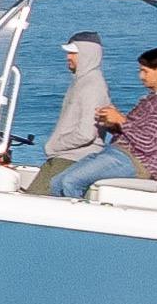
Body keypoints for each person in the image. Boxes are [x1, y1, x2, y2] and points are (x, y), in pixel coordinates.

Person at [50, 46, 157, 199]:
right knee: (57, 182)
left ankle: (81, 219)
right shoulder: (151, 99)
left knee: (70, 182)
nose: (141, 76)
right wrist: (112, 124)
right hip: (117, 153)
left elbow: (149, 142)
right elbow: (133, 133)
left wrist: (121, 119)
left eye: (145, 71)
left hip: (137, 161)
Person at [24, 31, 113, 195]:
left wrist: (53, 145)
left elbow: (86, 133)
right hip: (64, 157)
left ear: (87, 54)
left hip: (73, 159)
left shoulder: (92, 86)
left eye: (73, 52)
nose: (68, 57)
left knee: (33, 202)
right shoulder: (82, 82)